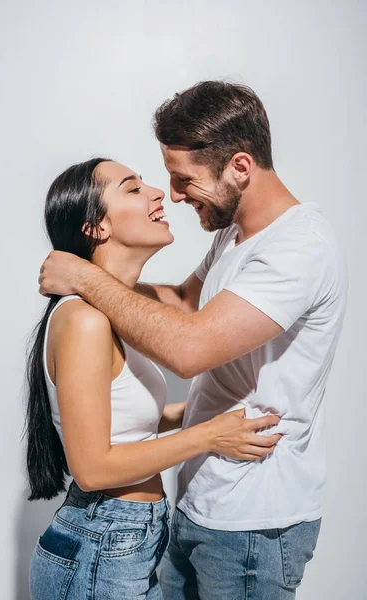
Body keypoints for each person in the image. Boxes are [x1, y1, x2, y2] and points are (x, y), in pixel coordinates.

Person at [38, 81, 348, 599]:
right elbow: (183, 303)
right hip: (193, 506)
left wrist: (88, 277)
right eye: (149, 184)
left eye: (184, 180)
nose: (173, 194)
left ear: (240, 168)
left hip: (253, 516)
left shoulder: (299, 248)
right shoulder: (234, 232)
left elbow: (188, 349)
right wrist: (92, 278)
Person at [26, 157, 280, 600]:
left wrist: (188, 413)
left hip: (121, 540)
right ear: (95, 227)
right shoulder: (85, 321)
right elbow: (92, 469)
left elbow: (119, 422)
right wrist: (209, 436)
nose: (158, 192)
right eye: (132, 188)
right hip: (101, 544)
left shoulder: (104, 312)